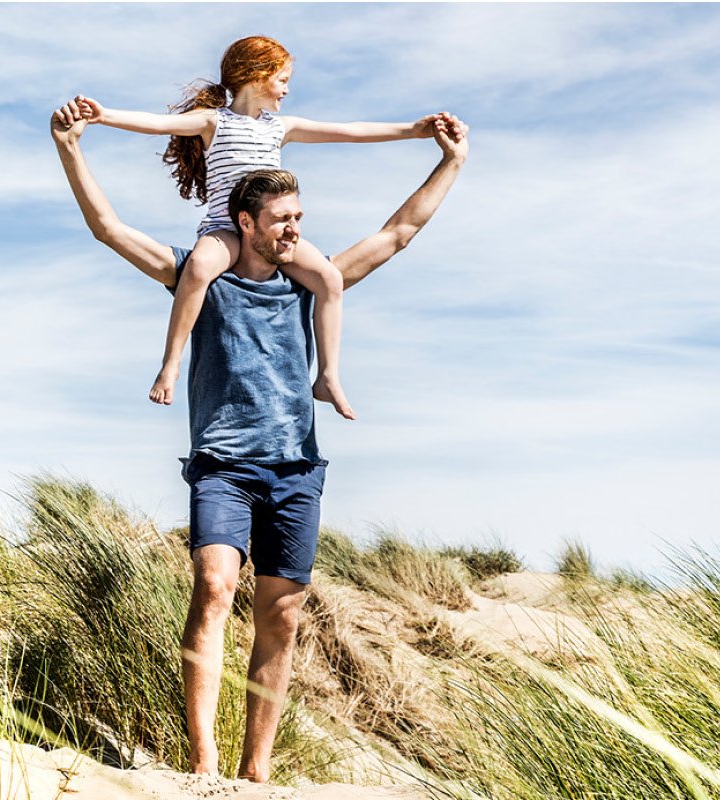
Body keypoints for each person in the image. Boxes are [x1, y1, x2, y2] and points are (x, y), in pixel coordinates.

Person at [50, 99, 468, 783]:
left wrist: (449, 161)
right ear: (245, 223)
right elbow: (107, 228)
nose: (295, 232)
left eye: (299, 220)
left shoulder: (308, 284)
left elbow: (398, 233)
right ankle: (203, 760)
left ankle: (257, 770)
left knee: (283, 616)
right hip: (223, 465)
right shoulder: (200, 276)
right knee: (214, 588)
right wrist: (72, 147)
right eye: (283, 221)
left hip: (296, 471)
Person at [70, 34, 453, 421]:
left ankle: (328, 376)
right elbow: (157, 124)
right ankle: (170, 364)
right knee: (199, 269)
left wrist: (413, 130)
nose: (287, 89)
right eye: (282, 79)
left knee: (330, 280)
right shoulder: (213, 121)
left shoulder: (280, 127)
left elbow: (349, 131)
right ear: (256, 75)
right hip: (224, 228)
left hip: (269, 233)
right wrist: (103, 115)